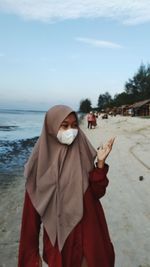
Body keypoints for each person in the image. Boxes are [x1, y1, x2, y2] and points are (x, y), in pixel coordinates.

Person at [18, 104, 115, 267]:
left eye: (75, 125)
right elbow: (30, 220)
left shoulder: (82, 152)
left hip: (90, 237)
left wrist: (100, 165)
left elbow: (97, 192)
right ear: (51, 128)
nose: (71, 130)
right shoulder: (39, 167)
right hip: (61, 243)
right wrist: (31, 256)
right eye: (64, 126)